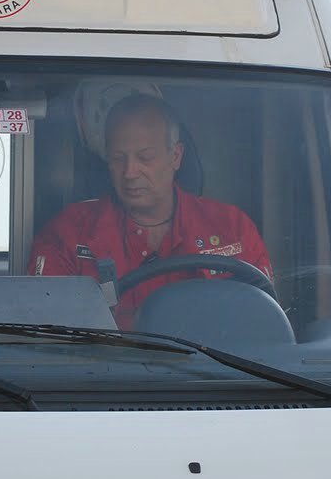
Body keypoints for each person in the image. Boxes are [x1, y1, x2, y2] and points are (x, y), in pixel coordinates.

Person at [28, 94, 271, 325]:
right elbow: (46, 335)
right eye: (118, 158)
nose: (130, 172)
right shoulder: (68, 233)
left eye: (145, 157)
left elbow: (263, 325)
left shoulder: (232, 229)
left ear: (175, 156)